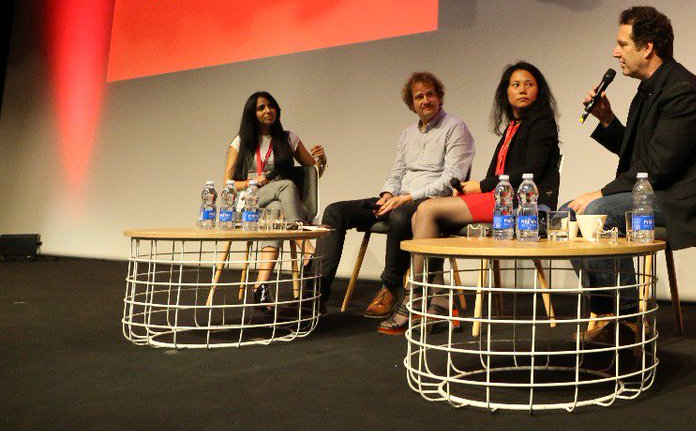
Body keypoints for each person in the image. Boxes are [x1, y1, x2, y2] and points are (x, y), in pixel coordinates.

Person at [565, 6, 696, 332]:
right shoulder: (648, 89)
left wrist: (601, 193)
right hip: (654, 190)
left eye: (623, 44)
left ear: (647, 47)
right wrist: (607, 120)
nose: (615, 52)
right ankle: (606, 312)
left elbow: (659, 166)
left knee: (599, 211)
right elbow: (640, 154)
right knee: (569, 214)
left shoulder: (681, 89)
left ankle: (626, 319)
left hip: (683, 200)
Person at [379, 61, 561, 333]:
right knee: (420, 215)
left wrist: (482, 186)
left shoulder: (542, 122)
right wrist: (469, 189)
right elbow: (497, 173)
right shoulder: (514, 125)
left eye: (529, 84)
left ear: (539, 90)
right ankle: (439, 302)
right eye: (515, 85)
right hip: (501, 198)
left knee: (426, 210)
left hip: (524, 205)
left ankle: (414, 297)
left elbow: (531, 171)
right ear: (506, 92)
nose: (522, 89)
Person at [312, 72, 474, 317]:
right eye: (419, 97)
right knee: (335, 211)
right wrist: (388, 194)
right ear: (412, 104)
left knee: (399, 215)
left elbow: (451, 179)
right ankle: (315, 294)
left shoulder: (455, 127)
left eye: (430, 94)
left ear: (440, 97)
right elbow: (396, 172)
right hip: (400, 199)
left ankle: (390, 288)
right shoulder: (407, 134)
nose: (425, 100)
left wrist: (407, 198)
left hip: (431, 204)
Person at [222, 91, 327, 310]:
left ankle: (260, 287)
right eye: (261, 108)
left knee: (276, 208)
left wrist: (323, 160)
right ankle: (307, 248)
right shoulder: (241, 141)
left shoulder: (289, 139)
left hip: (277, 209)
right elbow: (228, 183)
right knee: (286, 185)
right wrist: (251, 182)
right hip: (250, 204)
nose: (268, 111)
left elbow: (313, 173)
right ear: (252, 114)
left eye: (271, 106)